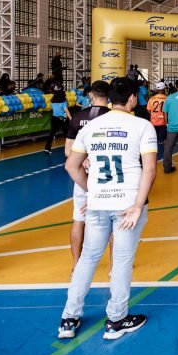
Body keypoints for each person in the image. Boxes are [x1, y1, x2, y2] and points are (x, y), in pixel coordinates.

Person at [57, 77, 156, 340]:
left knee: (88, 258)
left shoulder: (91, 126)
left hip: (98, 203)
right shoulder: (142, 126)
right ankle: (116, 319)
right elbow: (149, 169)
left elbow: (71, 165)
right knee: (122, 261)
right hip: (127, 204)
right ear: (133, 98)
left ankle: (69, 319)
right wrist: (138, 205)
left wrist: (91, 191)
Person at [65, 80, 111, 266]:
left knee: (78, 219)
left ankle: (76, 265)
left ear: (91, 94)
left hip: (83, 175)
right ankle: (114, 266)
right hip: (108, 176)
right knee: (114, 220)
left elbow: (68, 151)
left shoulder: (78, 117)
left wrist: (82, 158)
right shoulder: (113, 117)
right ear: (109, 96)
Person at [44, 88, 70, 153]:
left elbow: (53, 108)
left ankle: (47, 148)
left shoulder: (52, 100)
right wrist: (71, 118)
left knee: (52, 133)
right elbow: (66, 110)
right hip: (62, 119)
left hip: (54, 118)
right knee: (67, 134)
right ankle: (70, 148)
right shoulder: (63, 101)